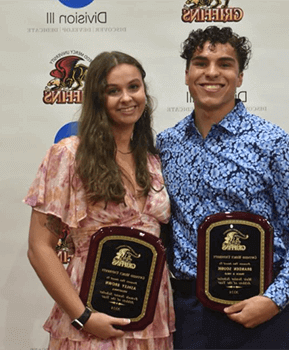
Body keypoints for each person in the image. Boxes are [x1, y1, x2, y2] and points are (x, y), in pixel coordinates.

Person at [156, 26, 289, 350]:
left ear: (240, 76)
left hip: (259, 311)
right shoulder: (166, 145)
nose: (212, 73)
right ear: (187, 73)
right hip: (187, 312)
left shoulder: (274, 144)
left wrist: (275, 299)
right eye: (201, 62)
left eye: (224, 63)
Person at [24, 51, 175, 349]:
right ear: (97, 98)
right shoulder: (69, 155)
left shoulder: (153, 160)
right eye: (113, 91)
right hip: (91, 311)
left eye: (134, 87)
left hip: (150, 313)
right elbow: (39, 247)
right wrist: (84, 316)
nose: (127, 98)